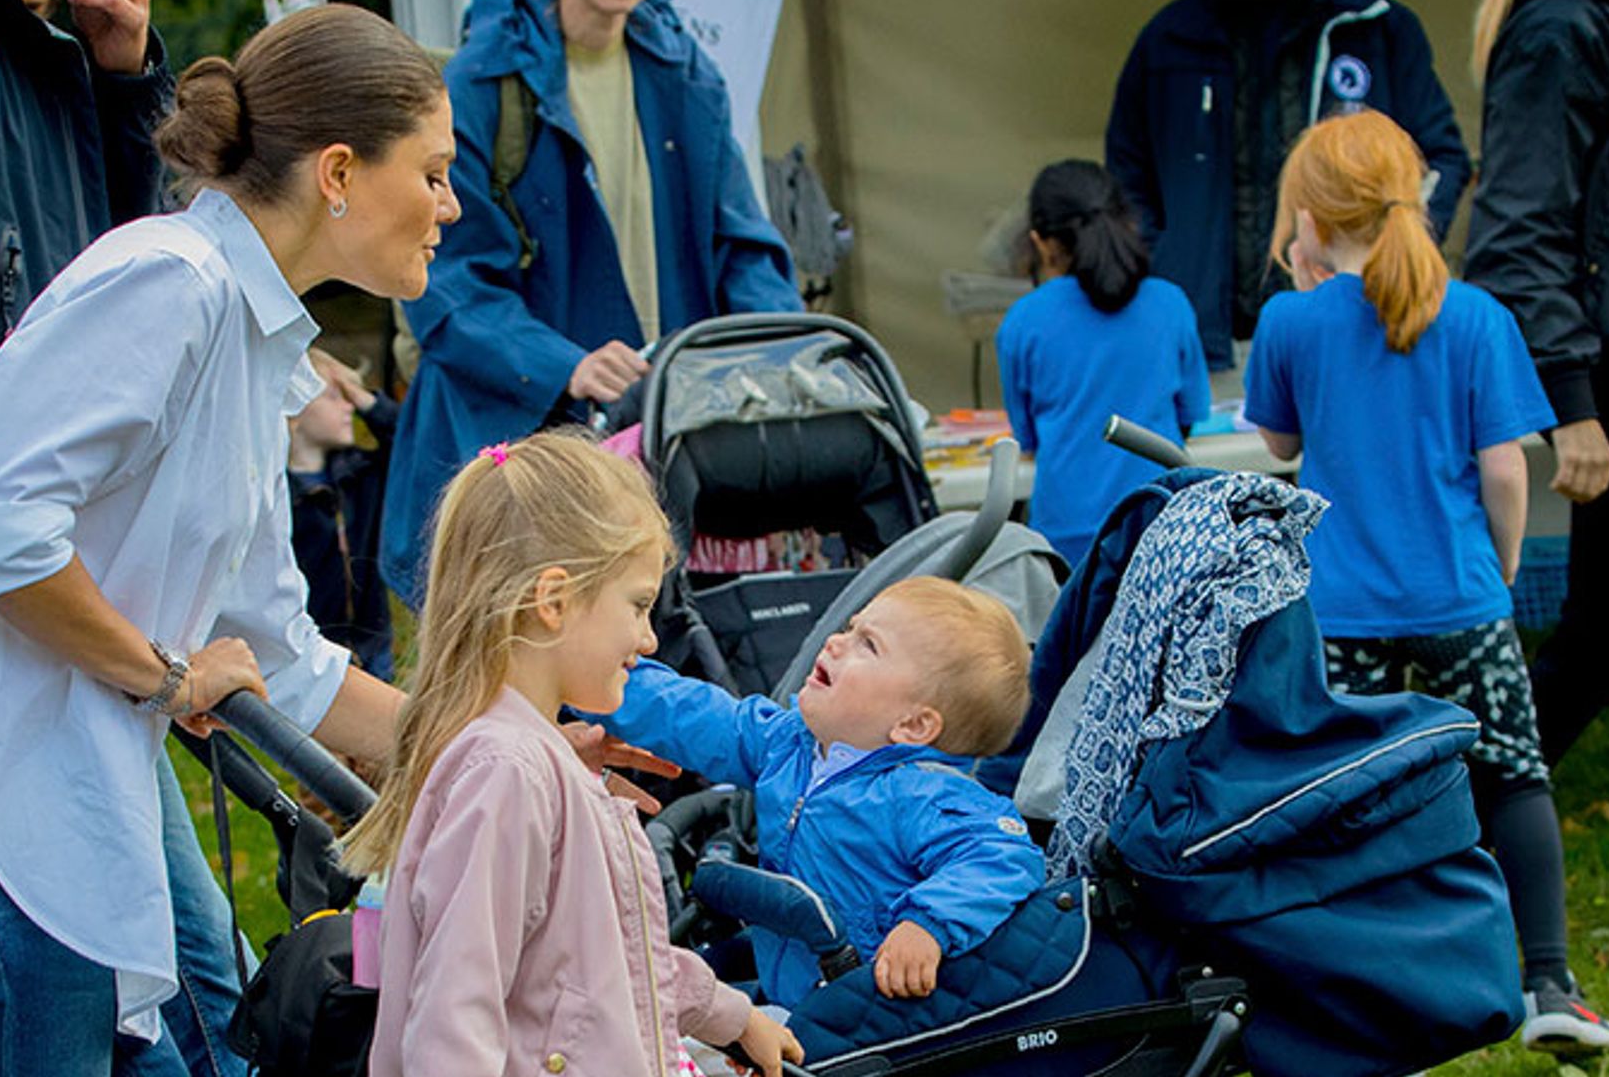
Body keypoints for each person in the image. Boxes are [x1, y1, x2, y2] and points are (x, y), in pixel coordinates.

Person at [0, 8, 449, 1074]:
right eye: (434, 172)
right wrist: (168, 675)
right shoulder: (169, 283)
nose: (449, 206)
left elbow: (283, 657)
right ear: (340, 172)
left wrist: (495, 747)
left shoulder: (250, 337)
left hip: (44, 851)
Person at [1244, 109, 1609, 1059]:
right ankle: (1547, 983)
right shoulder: (1481, 315)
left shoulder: (1292, 321)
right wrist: (1494, 573)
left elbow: (1280, 446)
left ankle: (1357, 982)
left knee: (1343, 788)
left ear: (1313, 218)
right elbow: (1504, 472)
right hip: (1460, 594)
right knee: (1514, 779)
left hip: (1343, 609)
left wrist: (1300, 288)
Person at [350, 431, 803, 1077]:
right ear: (554, 600)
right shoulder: (506, 774)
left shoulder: (531, 759)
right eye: (639, 605)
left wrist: (731, 1015)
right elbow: (456, 1013)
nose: (648, 639)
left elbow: (603, 960)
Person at [381, 0, 802, 605]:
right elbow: (445, 284)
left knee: (684, 655)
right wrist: (564, 364)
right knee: (535, 681)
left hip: (673, 444)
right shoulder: (480, 82)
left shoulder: (685, 67)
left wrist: (783, 351)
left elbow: (741, 243)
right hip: (534, 467)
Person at [586, 577, 1045, 1009]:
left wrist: (928, 923)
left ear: (913, 725)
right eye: (850, 627)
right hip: (787, 993)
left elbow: (1003, 855)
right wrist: (593, 673)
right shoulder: (789, 743)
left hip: (867, 1016)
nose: (835, 641)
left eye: (868, 644)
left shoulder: (927, 796)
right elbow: (688, 714)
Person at [1105, 0, 1469, 370]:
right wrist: (1168, 263)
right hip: (1207, 343)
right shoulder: (1171, 36)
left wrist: (1395, 250)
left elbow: (1441, 161)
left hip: (1352, 333)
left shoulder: (1376, 27)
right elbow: (1125, 177)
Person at [1464, 0, 1609, 765]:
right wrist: (1574, 402)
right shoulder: (1563, 26)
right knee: (1600, 642)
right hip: (1604, 378)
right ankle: (1472, 819)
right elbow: (1517, 235)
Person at [997, 160, 1210, 566]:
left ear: (1041, 242)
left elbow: (1027, 440)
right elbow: (1191, 414)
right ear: (1125, 220)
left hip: (1066, 537)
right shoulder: (1170, 303)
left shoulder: (1023, 321)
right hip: (1163, 523)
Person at [287, 349, 398, 682]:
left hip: (371, 642)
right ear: (294, 406)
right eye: (334, 397)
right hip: (309, 648)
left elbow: (410, 440)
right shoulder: (277, 490)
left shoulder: (359, 474)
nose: (349, 406)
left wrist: (367, 401)